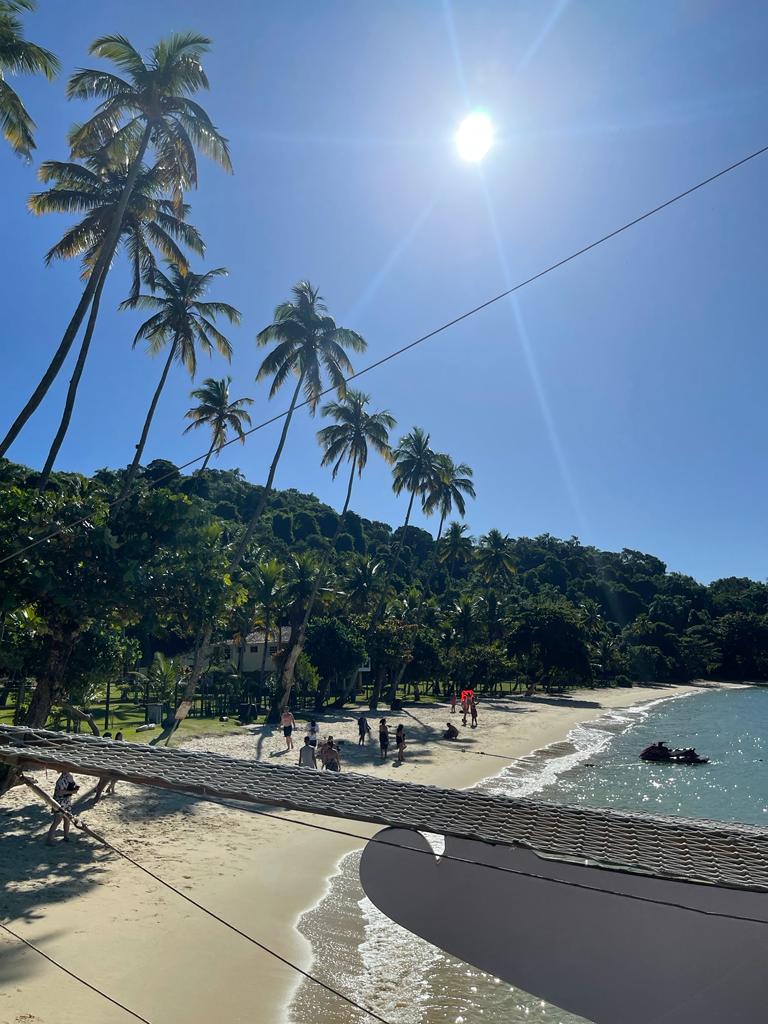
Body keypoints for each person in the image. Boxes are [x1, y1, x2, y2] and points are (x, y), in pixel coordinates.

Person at [46, 771, 79, 844]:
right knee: (57, 820)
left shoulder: (69, 776)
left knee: (67, 819)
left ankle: (66, 837)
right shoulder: (61, 780)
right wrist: (72, 792)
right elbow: (60, 792)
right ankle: (49, 840)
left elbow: (73, 784)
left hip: (67, 801)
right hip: (60, 802)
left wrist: (75, 788)